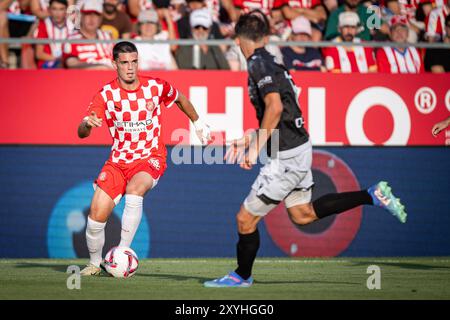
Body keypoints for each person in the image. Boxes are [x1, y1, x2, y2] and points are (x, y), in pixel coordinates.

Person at [204, 12, 407, 288]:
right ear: (265, 37)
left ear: (238, 40)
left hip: (286, 156)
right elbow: (284, 111)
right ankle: (371, 195)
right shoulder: (275, 62)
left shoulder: (257, 65)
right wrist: (252, 136)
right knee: (303, 214)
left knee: (245, 218)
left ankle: (242, 276)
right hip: (297, 148)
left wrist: (256, 148)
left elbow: (275, 108)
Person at [77, 41, 212, 276]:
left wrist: (198, 122)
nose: (130, 67)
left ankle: (123, 252)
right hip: (118, 162)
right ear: (114, 64)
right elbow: (82, 131)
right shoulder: (106, 94)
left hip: (150, 156)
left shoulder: (155, 87)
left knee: (135, 189)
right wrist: (86, 124)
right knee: (95, 217)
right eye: (124, 63)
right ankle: (94, 263)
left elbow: (181, 99)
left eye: (134, 62)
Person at [63, 0, 114, 69]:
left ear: (100, 19)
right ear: (81, 17)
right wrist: (100, 68)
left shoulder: (107, 36)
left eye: (96, 15)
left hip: (111, 76)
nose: (91, 18)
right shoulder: (72, 39)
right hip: (86, 78)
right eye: (87, 14)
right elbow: (71, 64)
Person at [34, 0, 73, 69]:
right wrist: (59, 59)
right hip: (48, 63)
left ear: (66, 10)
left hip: (68, 63)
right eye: (54, 9)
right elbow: (39, 54)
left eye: (61, 9)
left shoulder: (72, 25)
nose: (58, 13)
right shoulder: (43, 24)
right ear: (49, 10)